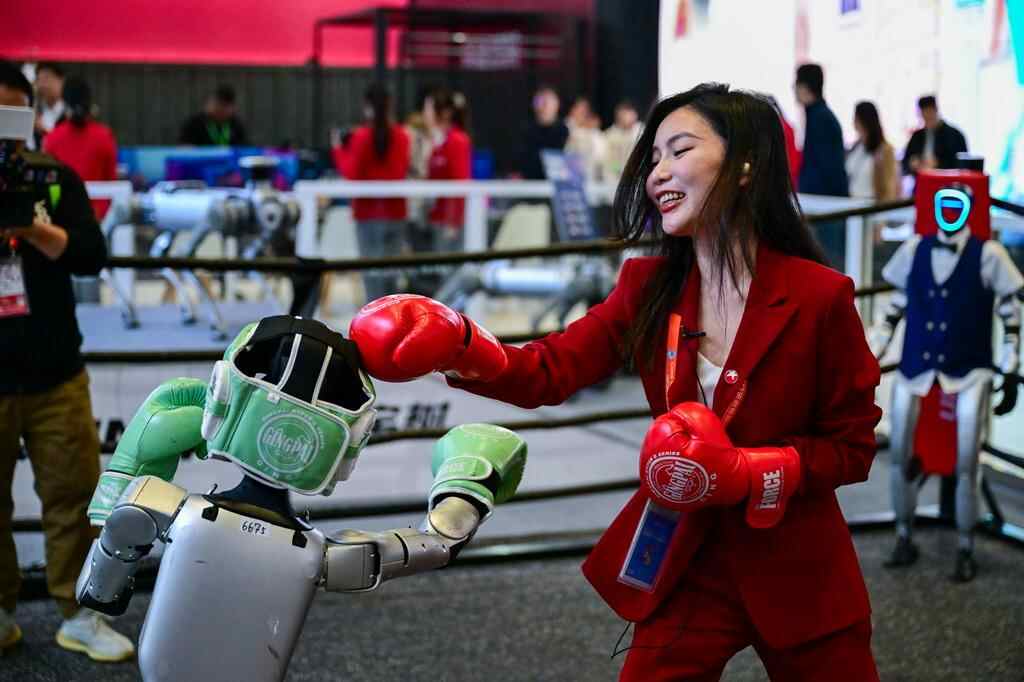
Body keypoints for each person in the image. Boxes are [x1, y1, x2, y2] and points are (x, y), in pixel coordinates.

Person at [350, 83, 883, 681]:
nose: (659, 174)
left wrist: (751, 471)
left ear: (745, 166)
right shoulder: (647, 287)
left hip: (798, 568)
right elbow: (549, 371)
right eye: (653, 158)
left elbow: (853, 446)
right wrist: (459, 344)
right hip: (689, 558)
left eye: (680, 150)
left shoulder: (819, 296)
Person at [0, 61, 134, 661]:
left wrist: (33, 228)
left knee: (75, 499)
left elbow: (90, 255)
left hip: (55, 373)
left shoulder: (54, 179)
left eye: (12, 113)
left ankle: (80, 613)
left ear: (30, 117)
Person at [331, 83, 411, 302]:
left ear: (367, 106)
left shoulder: (362, 136)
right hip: (395, 212)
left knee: (371, 274)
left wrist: (338, 149)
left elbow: (351, 173)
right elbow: (401, 170)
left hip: (367, 214)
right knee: (392, 274)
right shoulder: (402, 136)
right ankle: (394, 315)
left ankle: (376, 317)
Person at [795, 63, 849, 268]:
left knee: (828, 263)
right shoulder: (818, 116)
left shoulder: (820, 118)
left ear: (804, 86)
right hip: (824, 205)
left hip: (827, 207)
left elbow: (827, 169)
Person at [43, 76, 118, 220]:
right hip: (97, 217)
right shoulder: (105, 136)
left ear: (64, 102)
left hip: (62, 217)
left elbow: (47, 185)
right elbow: (111, 182)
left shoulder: (52, 138)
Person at [424, 88, 472, 254]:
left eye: (429, 109)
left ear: (443, 113)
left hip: (449, 223)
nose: (425, 114)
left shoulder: (457, 140)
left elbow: (460, 184)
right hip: (436, 218)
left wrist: (453, 222)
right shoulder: (437, 142)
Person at [901, 95, 968, 178]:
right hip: (921, 181)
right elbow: (905, 162)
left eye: (929, 113)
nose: (927, 118)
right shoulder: (917, 136)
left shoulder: (955, 135)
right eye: (924, 115)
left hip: (946, 182)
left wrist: (938, 163)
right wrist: (912, 163)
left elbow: (962, 166)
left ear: (936, 110)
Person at [846, 101, 899, 202]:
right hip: (852, 202)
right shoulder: (856, 146)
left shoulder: (885, 149)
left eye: (856, 118)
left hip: (872, 204)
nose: (853, 122)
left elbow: (889, 186)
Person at [519, 85, 569, 180]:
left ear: (557, 104)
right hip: (530, 184)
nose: (545, 106)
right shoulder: (526, 132)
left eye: (549, 101)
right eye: (540, 101)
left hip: (559, 183)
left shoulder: (566, 131)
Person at [179, 84, 249, 147]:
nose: (220, 109)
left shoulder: (235, 124)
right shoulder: (195, 123)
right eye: (216, 104)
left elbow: (244, 147)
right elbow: (184, 147)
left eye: (224, 106)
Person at [565, 95, 606, 182]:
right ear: (572, 110)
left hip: (591, 175)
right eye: (579, 108)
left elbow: (600, 155)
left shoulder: (594, 131)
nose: (583, 112)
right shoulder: (565, 127)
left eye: (585, 109)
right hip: (569, 175)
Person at [602, 99, 644, 184]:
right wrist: (619, 170)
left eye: (632, 114)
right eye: (625, 115)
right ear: (619, 117)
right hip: (615, 178)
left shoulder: (642, 130)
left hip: (639, 175)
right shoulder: (610, 136)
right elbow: (609, 162)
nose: (629, 118)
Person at [32, 62, 64, 147]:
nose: (42, 85)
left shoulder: (69, 112)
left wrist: (44, 132)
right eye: (39, 80)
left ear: (61, 80)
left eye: (47, 79)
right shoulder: (36, 110)